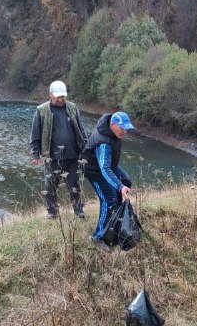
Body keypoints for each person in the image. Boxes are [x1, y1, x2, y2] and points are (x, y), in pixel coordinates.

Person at [30, 80, 87, 219]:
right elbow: (35, 133)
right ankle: (52, 212)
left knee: (74, 186)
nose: (61, 99)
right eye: (58, 97)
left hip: (73, 156)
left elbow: (81, 130)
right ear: (50, 94)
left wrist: (86, 148)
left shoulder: (72, 108)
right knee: (50, 187)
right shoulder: (41, 110)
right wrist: (35, 154)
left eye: (63, 96)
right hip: (52, 158)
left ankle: (79, 211)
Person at [83, 111, 134, 251]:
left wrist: (122, 184)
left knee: (126, 181)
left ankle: (115, 218)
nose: (125, 131)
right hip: (96, 173)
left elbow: (108, 165)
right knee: (108, 200)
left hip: (108, 165)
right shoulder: (104, 143)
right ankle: (97, 237)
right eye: (122, 128)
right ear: (113, 124)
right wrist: (119, 186)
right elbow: (104, 170)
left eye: (127, 128)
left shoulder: (111, 129)